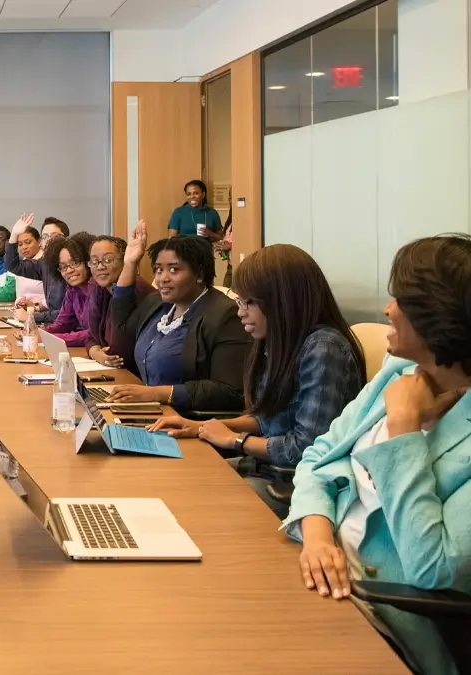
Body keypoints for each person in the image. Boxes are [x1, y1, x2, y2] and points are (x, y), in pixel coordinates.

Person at [282, 234, 471, 675]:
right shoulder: (399, 369)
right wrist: (317, 536)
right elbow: (318, 458)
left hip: (384, 619)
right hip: (319, 570)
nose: (388, 309)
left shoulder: (407, 405)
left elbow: (433, 567)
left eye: (400, 299)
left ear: (438, 317)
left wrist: (403, 431)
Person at [149, 245, 366, 516]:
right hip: (266, 468)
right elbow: (269, 418)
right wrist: (201, 426)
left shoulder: (324, 348)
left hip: (297, 485)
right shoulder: (280, 341)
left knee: (190, 502)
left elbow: (306, 447)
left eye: (249, 303)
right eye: (240, 302)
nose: (240, 312)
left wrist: (235, 440)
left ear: (283, 301)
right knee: (171, 480)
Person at [108, 221, 250, 412]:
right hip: (153, 411)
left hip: (191, 421)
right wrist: (129, 264)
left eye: (174, 269)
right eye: (159, 269)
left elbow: (230, 391)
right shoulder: (157, 303)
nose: (163, 278)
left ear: (199, 273)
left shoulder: (225, 315)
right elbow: (122, 325)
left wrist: (157, 394)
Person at [85, 235, 155, 370]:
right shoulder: (99, 289)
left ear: (125, 260)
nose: (100, 267)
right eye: (94, 262)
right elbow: (90, 335)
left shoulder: (139, 292)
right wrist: (96, 353)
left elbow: (120, 351)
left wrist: (103, 356)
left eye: (107, 260)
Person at [38, 232, 96, 347]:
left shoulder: (99, 289)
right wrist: (39, 332)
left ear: (88, 261)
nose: (69, 271)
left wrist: (47, 338)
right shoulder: (73, 288)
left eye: (75, 263)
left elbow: (95, 333)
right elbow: (63, 324)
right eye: (63, 267)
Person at [6, 213, 63, 324]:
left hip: (60, 325)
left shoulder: (69, 268)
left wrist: (32, 315)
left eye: (54, 236)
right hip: (49, 323)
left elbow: (63, 313)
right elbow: (13, 266)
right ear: (42, 241)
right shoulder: (44, 264)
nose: (49, 240)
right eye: (45, 236)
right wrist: (14, 235)